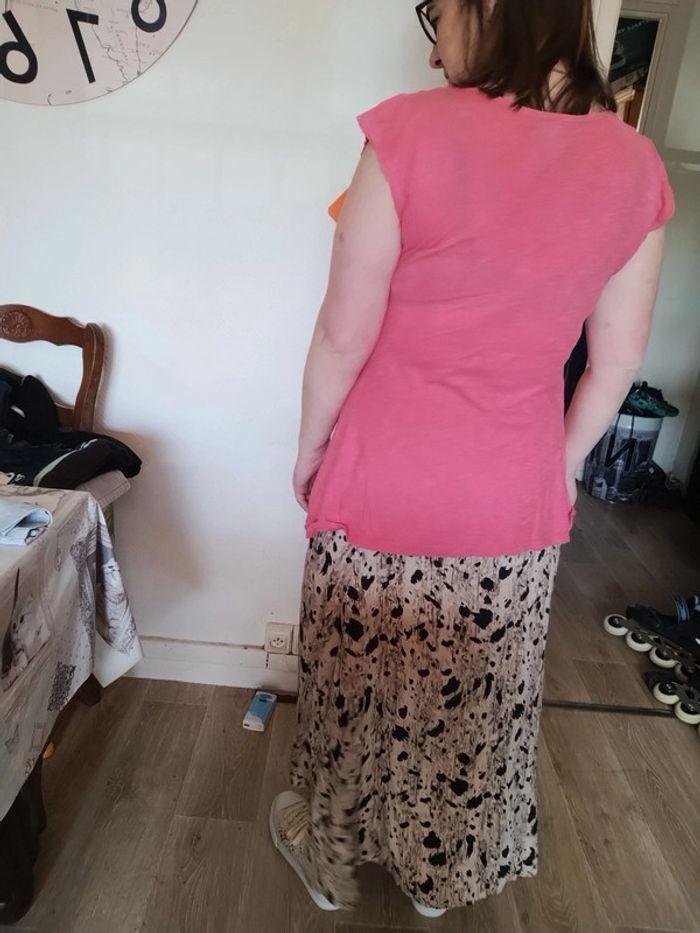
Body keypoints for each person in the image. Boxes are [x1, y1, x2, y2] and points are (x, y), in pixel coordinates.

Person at [269, 0, 674, 919]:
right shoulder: (635, 167)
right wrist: (557, 464)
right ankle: (439, 875)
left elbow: (341, 335)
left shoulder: (406, 132)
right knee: (472, 703)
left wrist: (309, 447)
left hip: (378, 479)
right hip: (510, 502)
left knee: (353, 691)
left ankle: (331, 866)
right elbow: (614, 364)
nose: (433, 41)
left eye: (438, 11)